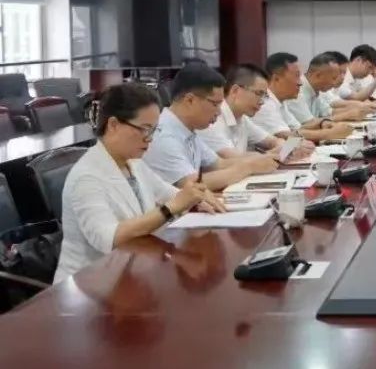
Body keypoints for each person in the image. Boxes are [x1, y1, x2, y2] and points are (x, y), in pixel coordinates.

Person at [55, 84, 221, 283]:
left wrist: (196, 198)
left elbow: (171, 194)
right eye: (144, 129)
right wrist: (171, 208)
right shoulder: (86, 177)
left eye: (154, 130)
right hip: (90, 285)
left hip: (131, 273)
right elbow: (109, 239)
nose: (150, 139)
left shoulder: (134, 163)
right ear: (114, 124)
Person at [143, 64, 279, 191]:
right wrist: (248, 168)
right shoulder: (163, 135)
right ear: (190, 100)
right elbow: (191, 184)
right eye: (215, 104)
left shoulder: (187, 129)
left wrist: (261, 160)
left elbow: (218, 164)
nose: (219, 112)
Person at [198, 64, 313, 160]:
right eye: (259, 94)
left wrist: (287, 147)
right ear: (235, 90)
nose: (262, 102)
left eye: (265, 96)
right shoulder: (212, 119)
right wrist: (281, 151)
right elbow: (233, 158)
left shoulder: (243, 119)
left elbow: (272, 141)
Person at [252, 52, 354, 142]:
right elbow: (286, 136)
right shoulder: (264, 104)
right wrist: (329, 134)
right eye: (296, 76)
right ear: (276, 79)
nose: (300, 82)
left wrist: (322, 123)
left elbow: (297, 130)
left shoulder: (281, 102)